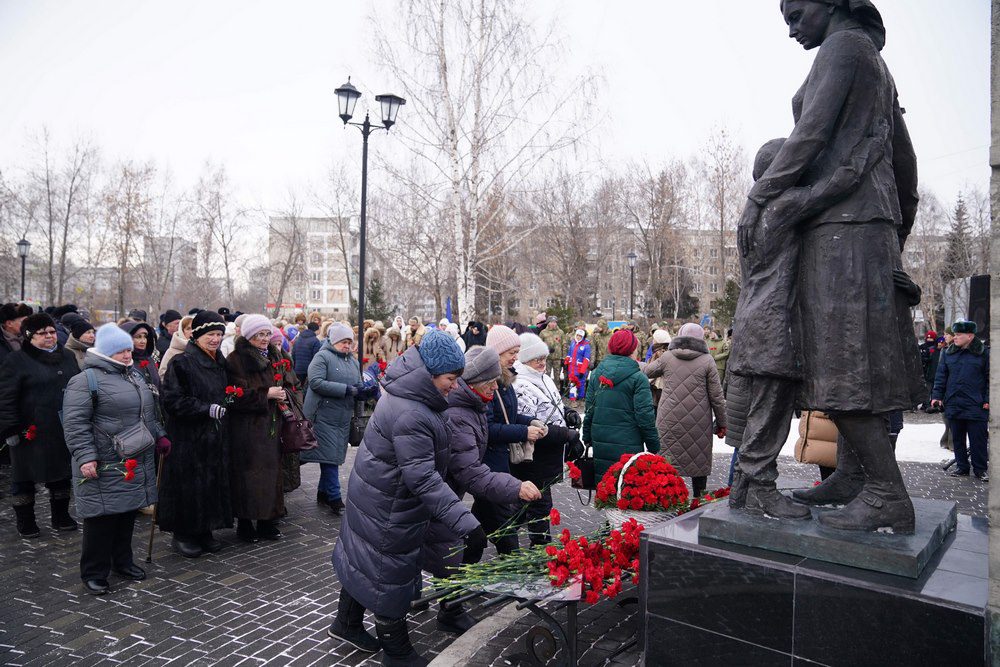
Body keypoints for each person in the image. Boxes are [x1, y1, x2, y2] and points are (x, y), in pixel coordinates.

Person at [329, 330, 481, 666]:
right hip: (389, 504)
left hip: (379, 496)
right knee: (388, 573)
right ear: (429, 375)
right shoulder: (412, 411)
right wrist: (466, 523)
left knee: (364, 561)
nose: (455, 386)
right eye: (450, 379)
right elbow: (422, 477)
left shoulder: (414, 396)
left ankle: (346, 623)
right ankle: (396, 653)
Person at [421, 346, 541, 635]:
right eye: (490, 384)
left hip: (447, 489)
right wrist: (515, 486)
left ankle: (443, 599)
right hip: (437, 491)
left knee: (451, 541)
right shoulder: (461, 413)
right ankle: (449, 608)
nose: (493, 388)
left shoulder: (474, 404)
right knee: (458, 542)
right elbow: (469, 469)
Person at [61, 324, 168, 595]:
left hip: (133, 458)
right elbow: (75, 424)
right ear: (107, 352)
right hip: (103, 461)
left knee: (126, 513)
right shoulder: (85, 381)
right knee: (101, 518)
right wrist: (86, 457)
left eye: (128, 350)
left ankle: (122, 561)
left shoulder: (133, 375)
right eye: (120, 350)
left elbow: (148, 414)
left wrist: (160, 435)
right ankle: (94, 572)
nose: (126, 355)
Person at [157, 310, 233, 558]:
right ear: (197, 335)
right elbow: (172, 400)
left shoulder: (219, 362)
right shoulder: (182, 363)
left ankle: (205, 530)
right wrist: (204, 409)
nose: (215, 339)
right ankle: (184, 534)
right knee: (189, 486)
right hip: (188, 437)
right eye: (211, 334)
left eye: (219, 334)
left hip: (214, 435)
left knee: (210, 483)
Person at [0, 312, 80, 537]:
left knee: (61, 474)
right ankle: (25, 521)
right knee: (24, 476)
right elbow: (6, 397)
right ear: (29, 336)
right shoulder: (16, 360)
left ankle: (61, 516)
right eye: (42, 333)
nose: (49, 336)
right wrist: (10, 428)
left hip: (61, 426)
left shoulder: (67, 356)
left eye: (52, 331)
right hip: (29, 430)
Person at [225, 315, 299, 542]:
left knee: (272, 474)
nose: (265, 339)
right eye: (260, 335)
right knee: (248, 475)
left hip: (273, 425)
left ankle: (268, 520)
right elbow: (233, 396)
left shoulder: (277, 355)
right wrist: (264, 394)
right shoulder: (236, 359)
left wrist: (285, 393)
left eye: (267, 334)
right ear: (249, 336)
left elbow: (291, 383)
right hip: (248, 428)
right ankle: (245, 523)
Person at [478, 325, 546, 554]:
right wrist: (523, 432)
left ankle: (466, 555)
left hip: (500, 459)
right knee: (502, 520)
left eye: (517, 351)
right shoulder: (488, 381)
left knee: (483, 516)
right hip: (490, 460)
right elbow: (489, 428)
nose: (516, 357)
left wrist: (530, 422)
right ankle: (511, 563)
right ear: (496, 353)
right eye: (511, 352)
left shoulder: (505, 379)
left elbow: (510, 414)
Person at [512, 333, 580, 545]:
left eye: (543, 358)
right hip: (535, 454)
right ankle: (540, 546)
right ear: (523, 360)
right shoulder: (520, 384)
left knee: (526, 501)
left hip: (549, 453)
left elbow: (551, 405)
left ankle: (509, 532)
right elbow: (531, 425)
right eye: (536, 359)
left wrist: (567, 412)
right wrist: (567, 435)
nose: (542, 362)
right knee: (540, 502)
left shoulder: (543, 377)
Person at [644, 323, 726, 497]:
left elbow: (647, 372)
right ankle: (698, 500)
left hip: (669, 419)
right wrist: (722, 423)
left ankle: (667, 502)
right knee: (698, 463)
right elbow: (717, 396)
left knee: (667, 464)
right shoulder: (708, 360)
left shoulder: (667, 357)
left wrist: (630, 361)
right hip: (699, 422)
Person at [301, 323, 366, 516]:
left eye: (349, 342)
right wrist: (345, 390)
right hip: (323, 415)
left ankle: (323, 492)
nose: (347, 346)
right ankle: (335, 498)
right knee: (330, 458)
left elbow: (358, 382)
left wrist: (363, 391)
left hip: (342, 416)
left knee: (332, 455)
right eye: (343, 342)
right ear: (334, 341)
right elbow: (316, 382)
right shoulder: (322, 357)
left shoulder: (352, 361)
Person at [583, 329, 660, 483]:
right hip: (629, 442)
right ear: (632, 350)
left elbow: (589, 409)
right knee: (626, 489)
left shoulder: (598, 373)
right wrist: (653, 445)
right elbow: (645, 416)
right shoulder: (639, 378)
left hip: (601, 439)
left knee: (605, 486)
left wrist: (587, 437)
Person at [931, 320, 989, 481]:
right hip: (954, 402)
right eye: (954, 335)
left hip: (976, 403)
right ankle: (962, 467)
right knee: (957, 438)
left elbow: (990, 378)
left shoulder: (984, 353)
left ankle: (980, 469)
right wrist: (937, 396)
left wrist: (988, 399)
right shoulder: (948, 353)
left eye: (958, 335)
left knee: (978, 439)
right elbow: (941, 376)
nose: (954, 338)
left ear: (970, 336)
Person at [120, 321, 161, 392]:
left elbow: (159, 386)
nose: (143, 341)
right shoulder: (124, 361)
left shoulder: (149, 359)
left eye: (145, 337)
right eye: (138, 337)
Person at [565, 328, 591, 403]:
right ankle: (572, 398)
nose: (578, 337)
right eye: (577, 335)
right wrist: (566, 362)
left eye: (580, 336)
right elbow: (569, 354)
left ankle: (580, 397)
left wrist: (582, 371)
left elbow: (586, 359)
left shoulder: (586, 346)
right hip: (571, 368)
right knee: (572, 383)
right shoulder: (573, 343)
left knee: (581, 384)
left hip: (579, 369)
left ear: (583, 337)